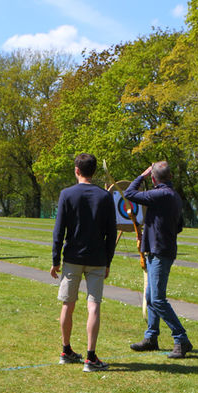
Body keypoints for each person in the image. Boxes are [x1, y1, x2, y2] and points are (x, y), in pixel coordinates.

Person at [50, 153, 118, 372]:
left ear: (77, 170)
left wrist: (55, 259)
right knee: (93, 305)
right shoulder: (105, 196)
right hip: (97, 258)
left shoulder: (66, 194)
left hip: (72, 258)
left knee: (67, 305)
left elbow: (59, 230)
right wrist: (108, 261)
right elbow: (111, 232)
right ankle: (90, 357)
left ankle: (65, 350)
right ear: (94, 171)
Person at [123, 161, 192, 358]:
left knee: (158, 299)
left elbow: (129, 194)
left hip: (161, 251)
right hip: (159, 249)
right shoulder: (173, 195)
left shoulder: (161, 194)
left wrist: (141, 176)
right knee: (150, 297)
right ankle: (151, 337)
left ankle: (181, 339)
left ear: (154, 178)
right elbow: (179, 226)